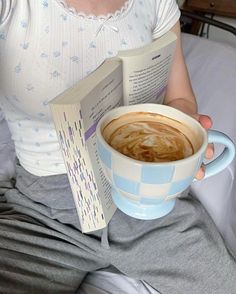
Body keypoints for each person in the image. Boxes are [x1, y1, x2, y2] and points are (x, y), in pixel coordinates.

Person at [0, 0, 235, 293]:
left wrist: (187, 131)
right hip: (43, 214)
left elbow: (181, 100)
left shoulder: (156, 4)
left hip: (150, 204)